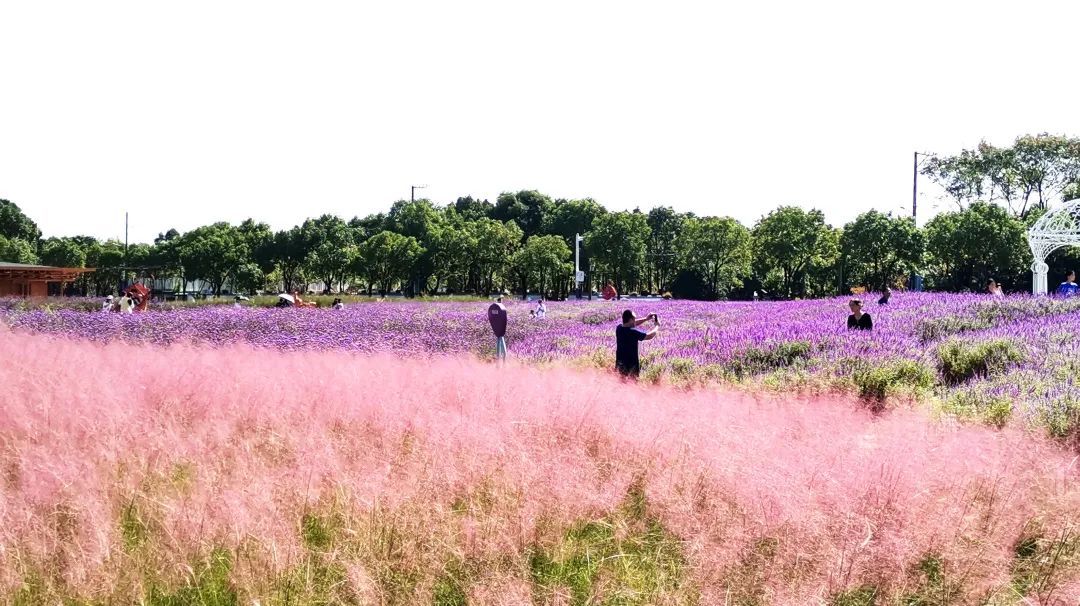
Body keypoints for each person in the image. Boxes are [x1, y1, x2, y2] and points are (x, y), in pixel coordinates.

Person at [615, 309, 659, 378]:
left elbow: (634, 323)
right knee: (631, 385)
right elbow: (649, 336)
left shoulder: (619, 328)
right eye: (634, 319)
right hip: (631, 366)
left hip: (620, 364)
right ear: (630, 320)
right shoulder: (632, 332)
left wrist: (646, 319)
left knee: (620, 384)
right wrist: (657, 326)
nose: (635, 321)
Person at [488, 297, 509, 362]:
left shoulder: (499, 308)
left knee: (500, 339)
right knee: (500, 339)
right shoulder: (498, 308)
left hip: (498, 329)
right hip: (498, 329)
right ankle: (502, 361)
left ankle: (502, 361)